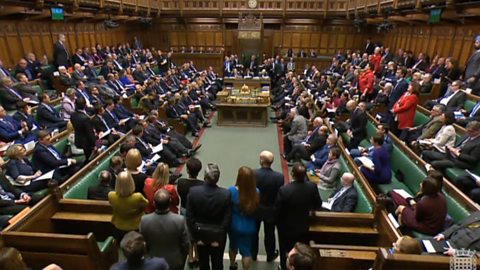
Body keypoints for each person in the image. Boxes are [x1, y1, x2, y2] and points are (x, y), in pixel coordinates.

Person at [275, 162, 322, 270]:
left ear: (292, 174)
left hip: (287, 228)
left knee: (286, 250)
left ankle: (284, 267)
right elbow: (318, 203)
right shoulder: (312, 187)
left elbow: (278, 210)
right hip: (304, 226)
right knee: (301, 251)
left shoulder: (284, 190)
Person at [186, 163, 231, 270]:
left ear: (205, 177)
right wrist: (218, 236)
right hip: (218, 236)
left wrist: (197, 237)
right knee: (217, 263)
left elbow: (190, 218)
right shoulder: (225, 194)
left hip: (200, 234)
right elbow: (227, 218)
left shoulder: (194, 192)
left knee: (203, 264)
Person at [140, 189, 189, 270]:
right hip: (175, 262)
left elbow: (143, 244)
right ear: (170, 202)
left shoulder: (144, 220)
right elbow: (186, 245)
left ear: (154, 203)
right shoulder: (180, 220)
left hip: (152, 261)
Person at [253, 151, 283, 262]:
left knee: (254, 232)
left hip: (256, 208)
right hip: (271, 209)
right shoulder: (279, 177)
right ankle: (270, 255)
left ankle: (253, 253)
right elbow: (279, 196)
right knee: (270, 234)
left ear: (261, 160)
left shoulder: (253, 173)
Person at [228, 166, 260, 270]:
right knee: (246, 253)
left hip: (234, 225)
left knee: (233, 247)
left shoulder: (231, 191)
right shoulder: (256, 192)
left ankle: (232, 265)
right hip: (249, 226)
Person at [108, 171, 148, 240]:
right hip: (136, 226)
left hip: (119, 225)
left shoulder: (111, 195)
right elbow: (146, 204)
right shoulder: (137, 197)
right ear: (131, 182)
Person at [70, 97, 97, 164]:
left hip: (79, 139)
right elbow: (89, 133)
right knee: (90, 159)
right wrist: (95, 144)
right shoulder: (85, 118)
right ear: (85, 105)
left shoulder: (73, 115)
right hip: (87, 142)